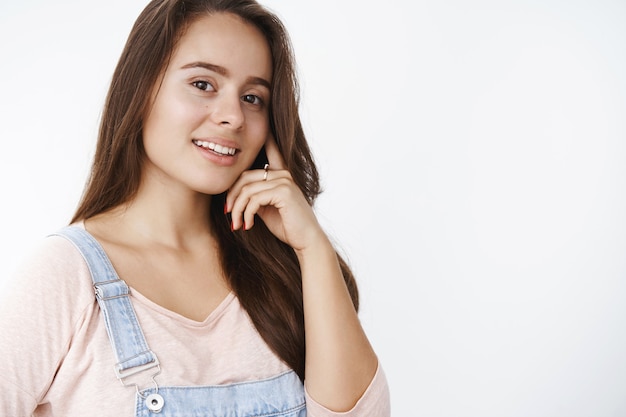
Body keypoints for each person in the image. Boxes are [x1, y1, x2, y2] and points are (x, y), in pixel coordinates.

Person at [0, 0, 390, 415]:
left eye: (253, 97)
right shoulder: (66, 274)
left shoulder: (281, 272)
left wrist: (312, 249)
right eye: (203, 84)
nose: (233, 117)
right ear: (141, 89)